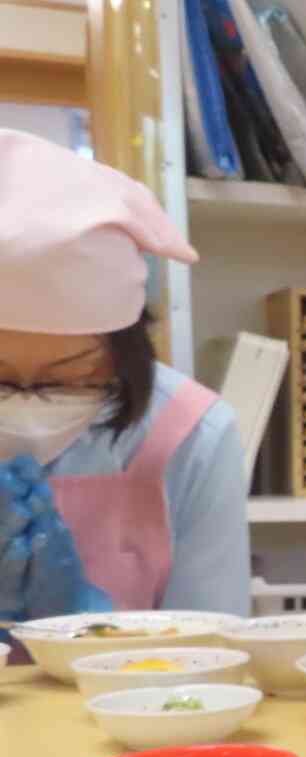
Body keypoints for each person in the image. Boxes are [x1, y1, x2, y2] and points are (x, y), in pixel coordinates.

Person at [0, 130, 251, 635]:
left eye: (69, 375)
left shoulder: (192, 434)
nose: (28, 404)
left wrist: (81, 620)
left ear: (125, 347)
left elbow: (213, 654)